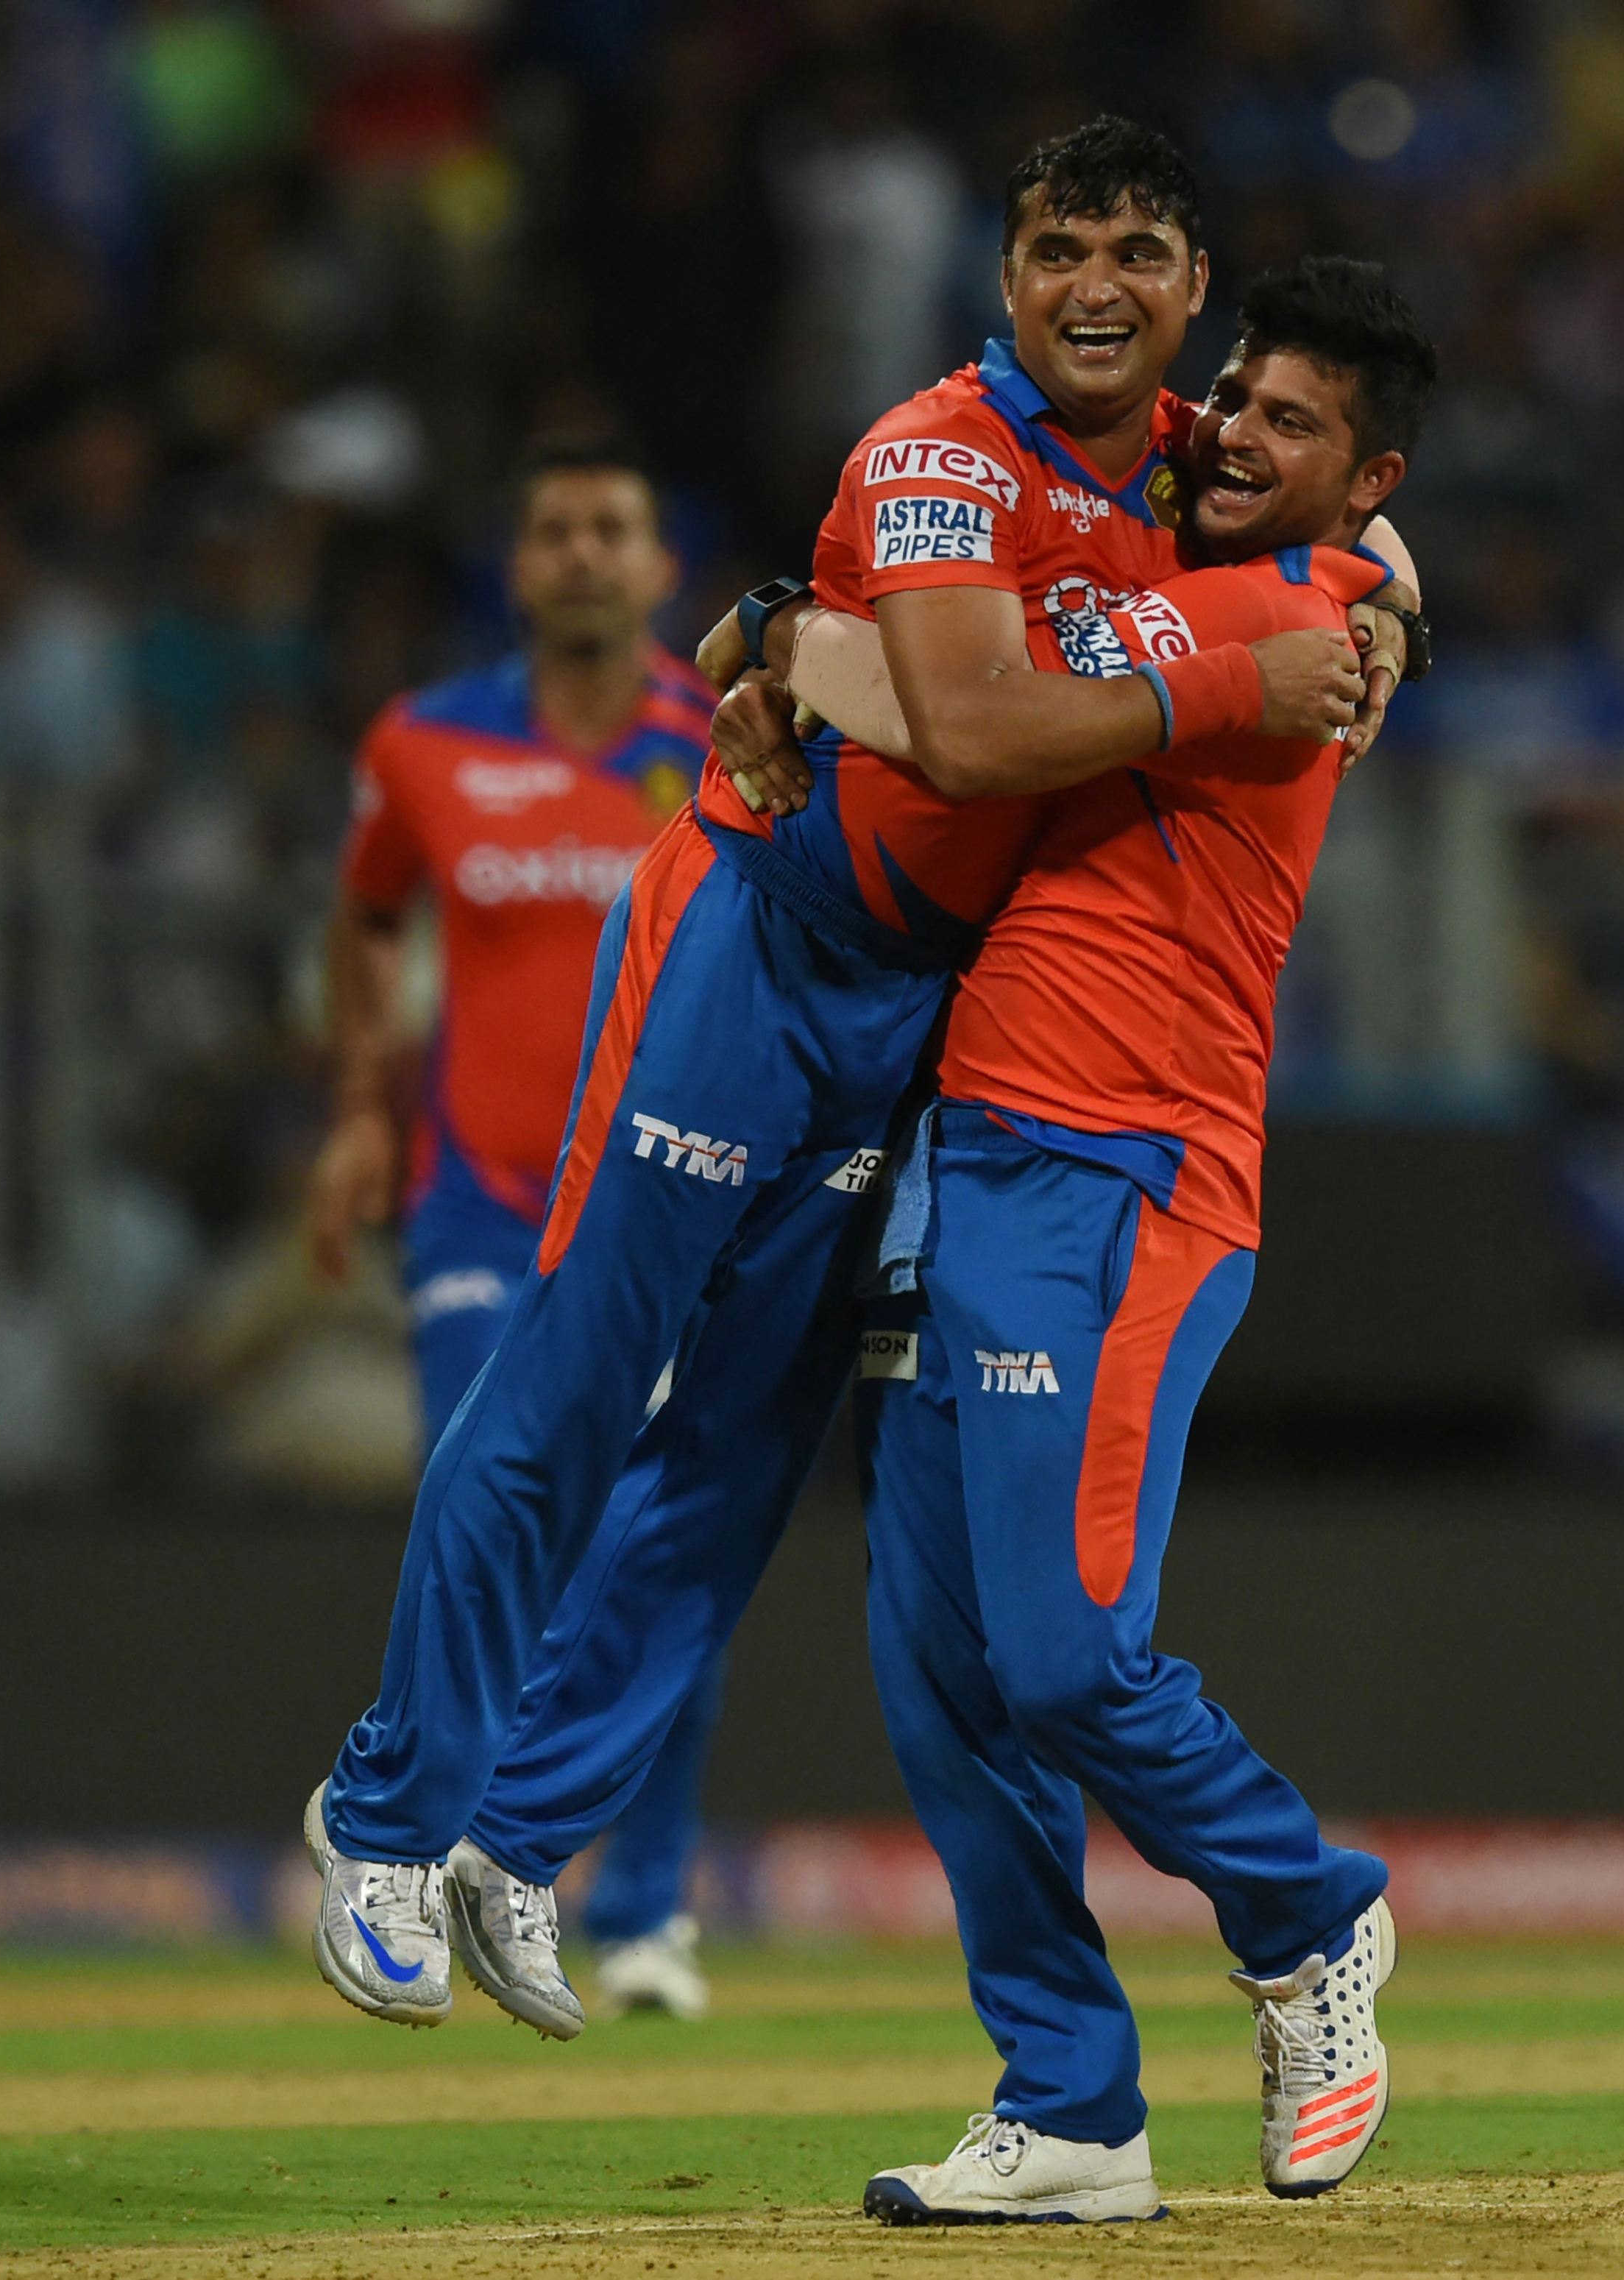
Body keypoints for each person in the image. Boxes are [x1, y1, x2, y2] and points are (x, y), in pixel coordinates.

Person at [299, 116, 1399, 2038]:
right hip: (753, 929)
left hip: (915, 1019)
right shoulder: (930, 456)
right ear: (1003, 271)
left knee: (731, 1461)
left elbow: (1365, 521)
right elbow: (970, 737)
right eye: (1060, 246)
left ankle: (513, 1843)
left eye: (1138, 253)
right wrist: (1231, 675)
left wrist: (1384, 603)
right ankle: (385, 1813)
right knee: (572, 1375)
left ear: (1189, 293)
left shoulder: (1191, 466)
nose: (1095, 287)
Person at [750, 255, 1433, 2223]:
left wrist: (801, 646)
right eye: (1239, 394)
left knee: (1056, 1656)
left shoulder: (1298, 611)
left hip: (1123, 1174)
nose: (1232, 427)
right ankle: (1066, 2108)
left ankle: (1310, 1922)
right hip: (969, 1159)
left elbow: (961, 720)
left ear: (1363, 480)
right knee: (936, 1667)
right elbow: (963, 688)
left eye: (1292, 423)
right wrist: (780, 645)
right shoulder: (1226, 567)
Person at [303, 439, 726, 2032]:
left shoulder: (728, 737)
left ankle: (649, 1901)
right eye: (550, 528)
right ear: (518, 566)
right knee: (498, 1512)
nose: (580, 552)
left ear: (658, 563)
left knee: (655, 1537)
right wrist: (360, 1105)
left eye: (610, 526)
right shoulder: (423, 743)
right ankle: (412, 1834)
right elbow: (363, 915)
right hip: (481, 1191)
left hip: (663, 1196)